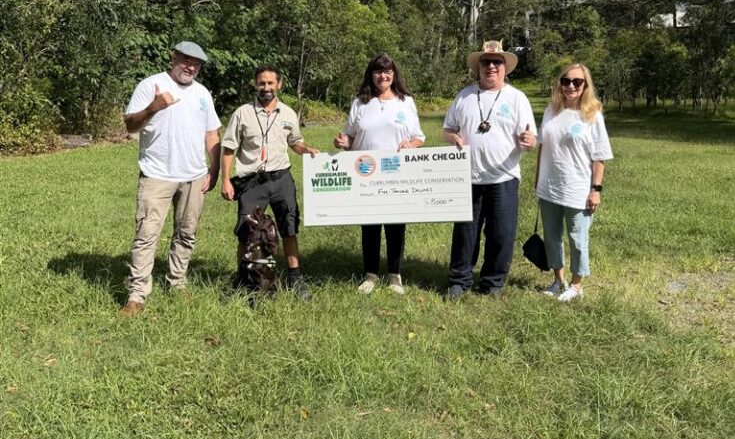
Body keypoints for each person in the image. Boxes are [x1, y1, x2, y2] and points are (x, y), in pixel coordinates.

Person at [122, 41, 222, 316]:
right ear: (174, 57)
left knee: (186, 234)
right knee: (146, 235)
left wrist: (214, 170)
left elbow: (212, 134)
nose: (190, 67)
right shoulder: (150, 85)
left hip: (194, 176)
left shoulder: (202, 94)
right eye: (186, 60)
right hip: (157, 175)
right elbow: (130, 124)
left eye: (196, 64)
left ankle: (177, 283)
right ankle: (137, 295)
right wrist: (153, 107)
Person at [443, 40, 537, 298]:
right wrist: (453, 138)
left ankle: (492, 282)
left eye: (497, 62)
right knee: (465, 232)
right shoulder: (464, 96)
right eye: (486, 62)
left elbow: (530, 139)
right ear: (479, 67)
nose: (491, 67)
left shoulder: (517, 98)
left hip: (504, 177)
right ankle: (459, 281)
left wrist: (529, 142)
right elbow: (448, 129)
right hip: (468, 177)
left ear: (505, 67)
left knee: (501, 233)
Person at [220, 65, 319, 299]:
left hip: (281, 179)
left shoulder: (288, 114)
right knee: (247, 233)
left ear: (279, 85)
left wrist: (306, 150)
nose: (266, 88)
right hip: (252, 183)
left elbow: (295, 142)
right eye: (262, 83)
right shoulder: (242, 113)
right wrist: (225, 180)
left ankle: (295, 279)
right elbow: (228, 148)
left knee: (289, 228)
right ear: (256, 84)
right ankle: (243, 279)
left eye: (270, 83)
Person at [333, 53, 426, 295]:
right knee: (370, 226)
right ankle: (370, 274)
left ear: (394, 75)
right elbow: (350, 135)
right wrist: (343, 141)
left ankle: (395, 275)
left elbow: (419, 136)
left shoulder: (406, 102)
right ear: (371, 75)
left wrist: (411, 145)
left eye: (387, 71)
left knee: (396, 226)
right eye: (377, 71)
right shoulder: (360, 103)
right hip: (367, 174)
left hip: (398, 174)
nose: (382, 76)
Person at [535, 63, 613, 302]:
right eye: (566, 81)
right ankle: (559, 281)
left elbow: (600, 156)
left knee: (578, 239)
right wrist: (537, 179)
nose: (571, 86)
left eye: (577, 82)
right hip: (549, 187)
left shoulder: (592, 115)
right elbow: (542, 146)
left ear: (585, 85)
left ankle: (577, 285)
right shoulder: (551, 110)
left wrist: (595, 190)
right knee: (552, 236)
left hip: (577, 189)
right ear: (560, 83)